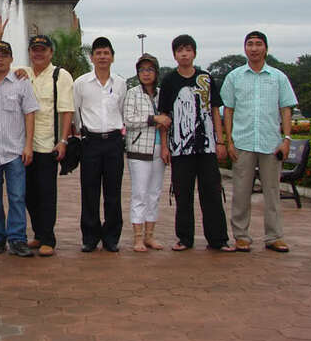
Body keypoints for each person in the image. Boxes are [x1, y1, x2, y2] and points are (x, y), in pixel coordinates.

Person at [221, 31, 298, 253]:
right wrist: (229, 142)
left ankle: (274, 236)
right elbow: (229, 111)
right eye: (250, 44)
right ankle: (241, 236)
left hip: (271, 144)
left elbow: (285, 109)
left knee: (272, 192)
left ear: (266, 48)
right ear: (244, 48)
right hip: (243, 142)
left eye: (258, 44)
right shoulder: (235, 77)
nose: (254, 48)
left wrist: (286, 139)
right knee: (241, 192)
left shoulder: (278, 77)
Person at [158, 35, 234, 252]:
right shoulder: (169, 81)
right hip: (181, 149)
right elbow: (164, 116)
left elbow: (214, 110)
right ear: (174, 55)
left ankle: (218, 239)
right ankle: (184, 238)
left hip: (207, 146)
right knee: (183, 194)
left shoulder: (206, 78)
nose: (184, 54)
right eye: (180, 50)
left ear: (194, 53)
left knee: (211, 192)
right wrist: (165, 146)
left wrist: (220, 141)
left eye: (188, 50)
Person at [0, 41, 39, 257]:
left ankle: (17, 239)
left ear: (12, 59)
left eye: (4, 55)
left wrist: (28, 145)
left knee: (16, 197)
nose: (0, 58)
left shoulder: (22, 83)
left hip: (14, 151)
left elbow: (30, 113)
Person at [18, 35, 74, 257]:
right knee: (28, 194)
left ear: (51, 52)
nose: (38, 53)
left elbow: (67, 110)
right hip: (23, 145)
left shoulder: (61, 75)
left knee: (46, 193)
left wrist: (63, 140)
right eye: (34, 49)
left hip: (47, 144)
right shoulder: (23, 72)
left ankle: (48, 238)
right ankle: (39, 234)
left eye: (42, 49)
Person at [73, 37, 127, 253]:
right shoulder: (81, 83)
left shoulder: (121, 83)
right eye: (98, 53)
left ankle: (112, 237)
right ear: (92, 57)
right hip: (91, 143)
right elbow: (76, 112)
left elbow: (122, 112)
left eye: (106, 53)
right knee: (90, 191)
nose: (102, 57)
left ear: (112, 57)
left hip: (114, 141)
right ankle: (90, 236)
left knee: (113, 192)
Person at [123, 54, 171, 252]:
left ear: (156, 72)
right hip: (138, 149)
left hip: (159, 149)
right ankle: (138, 237)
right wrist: (153, 119)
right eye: (142, 70)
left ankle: (150, 235)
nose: (146, 73)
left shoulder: (162, 94)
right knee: (140, 193)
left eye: (150, 69)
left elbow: (167, 122)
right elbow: (129, 120)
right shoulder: (132, 93)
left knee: (154, 193)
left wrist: (166, 146)